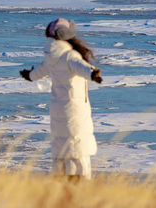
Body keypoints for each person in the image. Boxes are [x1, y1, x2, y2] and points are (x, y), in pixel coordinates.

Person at [20, 18, 102, 179]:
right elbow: (81, 67)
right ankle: (81, 181)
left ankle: (61, 178)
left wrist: (29, 75)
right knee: (77, 145)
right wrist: (92, 73)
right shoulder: (69, 55)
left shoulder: (52, 56)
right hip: (74, 108)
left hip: (58, 107)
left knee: (62, 143)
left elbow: (38, 72)